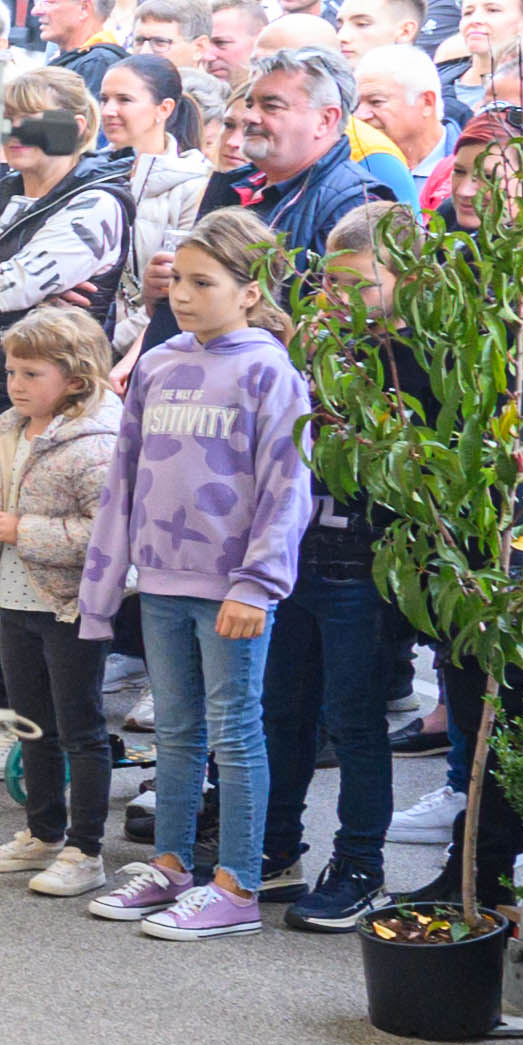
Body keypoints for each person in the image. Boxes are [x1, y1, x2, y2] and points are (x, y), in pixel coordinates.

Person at [76, 218, 317, 940]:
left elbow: (287, 486)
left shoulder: (269, 371)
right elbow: (123, 478)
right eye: (177, 279)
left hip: (232, 591)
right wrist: (103, 586)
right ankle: (171, 865)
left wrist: (257, 584)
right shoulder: (157, 363)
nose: (180, 294)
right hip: (161, 581)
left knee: (235, 734)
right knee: (176, 732)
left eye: (202, 282)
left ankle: (237, 885)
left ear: (250, 292)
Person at [0, 311, 123, 892]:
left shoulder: (96, 445)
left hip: (69, 605)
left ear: (75, 379)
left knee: (80, 728)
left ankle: (86, 850)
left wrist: (18, 529)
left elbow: (106, 533)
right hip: (11, 597)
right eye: (11, 372)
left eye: (32, 374)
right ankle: (42, 833)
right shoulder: (6, 431)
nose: (17, 385)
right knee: (33, 725)